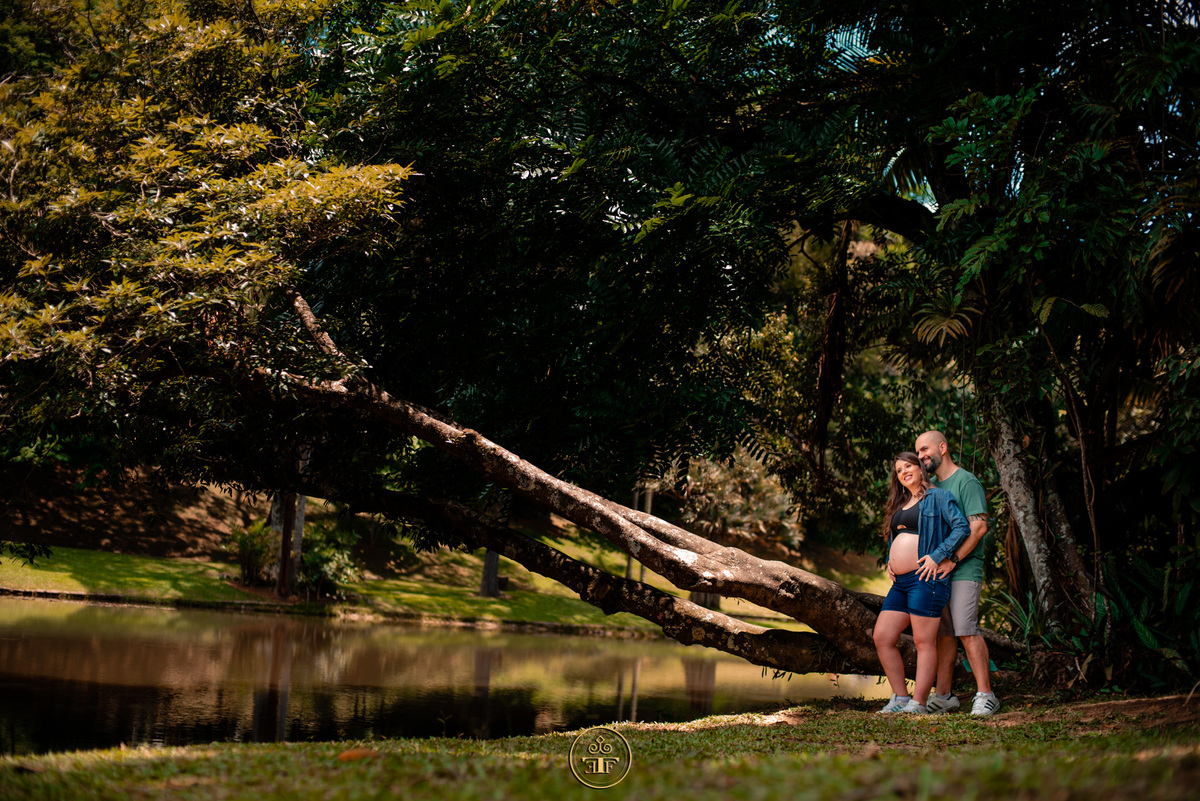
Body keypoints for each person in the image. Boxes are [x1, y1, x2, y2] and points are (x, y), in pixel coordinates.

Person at [874, 451, 970, 714]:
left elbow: (962, 527)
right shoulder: (901, 503)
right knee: (882, 637)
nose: (904, 471)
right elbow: (897, 539)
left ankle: (918, 703)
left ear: (920, 468)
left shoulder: (938, 497)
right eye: (899, 469)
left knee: (923, 642)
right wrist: (891, 562)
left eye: (908, 466)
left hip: (925, 579)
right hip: (901, 582)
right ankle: (901, 699)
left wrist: (938, 556)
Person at [914, 430, 1001, 717]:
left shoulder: (966, 481)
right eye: (918, 452)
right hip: (939, 570)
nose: (921, 456)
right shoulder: (932, 487)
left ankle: (986, 695)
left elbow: (978, 528)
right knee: (944, 632)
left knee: (965, 628)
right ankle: (944, 696)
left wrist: (952, 559)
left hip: (964, 567)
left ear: (943, 447)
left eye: (925, 449)